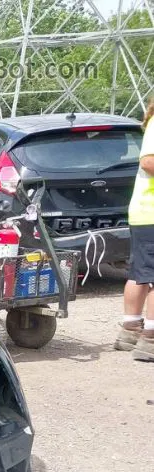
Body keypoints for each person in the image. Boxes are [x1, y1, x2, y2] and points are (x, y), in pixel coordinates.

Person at [117, 95, 154, 360]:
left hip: (144, 212)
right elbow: (148, 161)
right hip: (151, 211)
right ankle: (150, 340)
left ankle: (129, 331)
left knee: (139, 273)